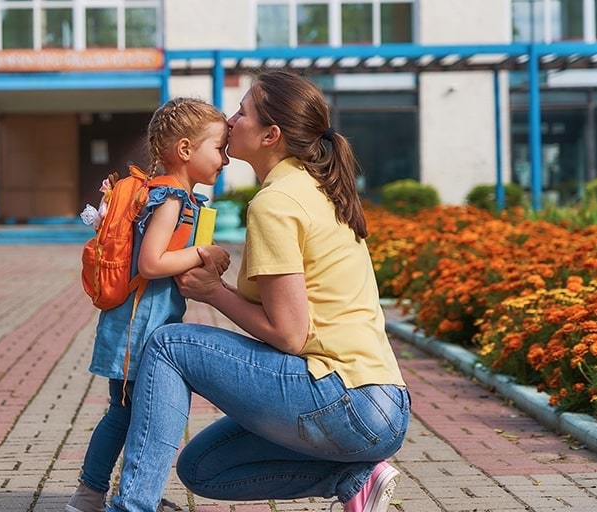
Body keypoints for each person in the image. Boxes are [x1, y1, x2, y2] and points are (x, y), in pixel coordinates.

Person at [105, 70, 411, 512]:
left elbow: (289, 334)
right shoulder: (315, 188)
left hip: (347, 398)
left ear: (271, 135)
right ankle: (355, 477)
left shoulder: (277, 202)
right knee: (204, 468)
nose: (230, 120)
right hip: (381, 403)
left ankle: (132, 506)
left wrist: (213, 292)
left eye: (242, 112)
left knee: (169, 344)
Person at [66, 98, 231, 512]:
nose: (226, 159)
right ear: (185, 150)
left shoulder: (176, 196)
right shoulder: (171, 198)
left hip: (141, 327)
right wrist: (203, 254)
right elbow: (152, 262)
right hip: (136, 332)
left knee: (131, 415)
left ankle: (125, 494)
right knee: (124, 415)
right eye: (219, 148)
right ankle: (91, 496)